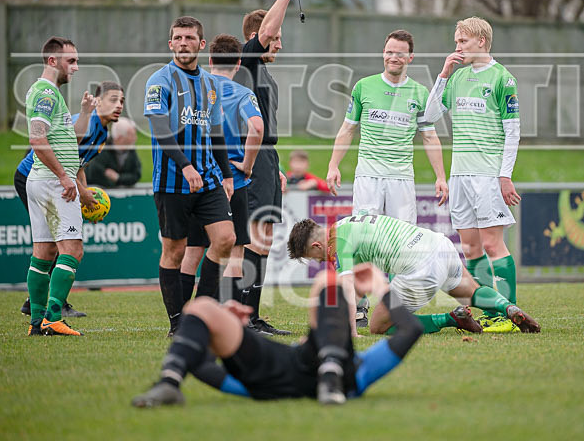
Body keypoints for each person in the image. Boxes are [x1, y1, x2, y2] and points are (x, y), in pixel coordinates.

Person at [132, 264, 424, 406]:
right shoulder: (359, 372)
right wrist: (380, 286)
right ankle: (329, 374)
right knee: (328, 279)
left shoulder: (251, 385)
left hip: (269, 375)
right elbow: (412, 329)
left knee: (201, 308)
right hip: (335, 377)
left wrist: (214, 330)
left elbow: (200, 362)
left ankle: (170, 380)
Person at [421, 17, 522, 330]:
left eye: (462, 41)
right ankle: (491, 311)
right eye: (456, 42)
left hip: (488, 176)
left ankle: (507, 314)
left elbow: (513, 132)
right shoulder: (457, 77)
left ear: (481, 40)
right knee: (471, 248)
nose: (457, 47)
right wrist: (443, 74)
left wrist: (505, 175)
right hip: (460, 176)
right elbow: (428, 116)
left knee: (493, 245)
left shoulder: (503, 78)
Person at [287, 215, 541, 335]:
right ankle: (507, 307)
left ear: (317, 246)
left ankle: (450, 318)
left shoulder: (338, 243)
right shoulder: (347, 223)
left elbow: (347, 291)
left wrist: (351, 332)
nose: (322, 261)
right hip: (439, 245)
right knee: (472, 292)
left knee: (378, 326)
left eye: (315, 257)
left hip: (419, 267)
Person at [144, 16, 235, 337]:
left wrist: (226, 174)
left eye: (189, 38)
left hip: (208, 178)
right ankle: (177, 323)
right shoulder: (159, 80)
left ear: (201, 44)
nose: (183, 43)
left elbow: (217, 131)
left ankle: (199, 314)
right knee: (175, 251)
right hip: (172, 180)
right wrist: (184, 164)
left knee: (225, 239)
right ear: (171, 44)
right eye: (178, 38)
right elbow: (159, 128)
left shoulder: (211, 85)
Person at [18, 80, 125, 319]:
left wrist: (86, 202)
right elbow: (60, 162)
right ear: (97, 101)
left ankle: (37, 306)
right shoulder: (85, 124)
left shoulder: (102, 132)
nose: (119, 106)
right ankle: (53, 306)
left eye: (122, 101)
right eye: (113, 100)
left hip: (54, 178)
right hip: (35, 175)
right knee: (61, 242)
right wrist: (83, 195)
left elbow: (77, 165)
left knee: (58, 243)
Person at [232, 0, 300, 336]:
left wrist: (274, 166)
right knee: (253, 236)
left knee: (265, 237)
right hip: (250, 156)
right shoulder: (247, 62)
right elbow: (269, 27)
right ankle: (243, 317)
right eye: (275, 38)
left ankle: (252, 316)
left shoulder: (265, 73)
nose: (280, 42)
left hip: (266, 156)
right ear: (259, 37)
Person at [180, 34, 264, 316]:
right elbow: (257, 128)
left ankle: (181, 316)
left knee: (193, 251)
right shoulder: (241, 93)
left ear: (210, 60)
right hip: (232, 181)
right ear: (239, 63)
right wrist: (248, 165)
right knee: (235, 251)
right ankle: (228, 316)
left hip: (198, 180)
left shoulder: (195, 90)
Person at [326, 29, 448, 222]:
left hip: (401, 178)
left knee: (401, 240)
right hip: (368, 176)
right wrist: (333, 166)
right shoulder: (363, 86)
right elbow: (348, 128)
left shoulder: (420, 93)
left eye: (400, 54)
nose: (394, 57)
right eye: (389, 52)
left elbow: (430, 137)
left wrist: (440, 177)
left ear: (410, 57)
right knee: (366, 237)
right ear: (383, 53)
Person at [24, 36, 85, 336]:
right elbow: (37, 138)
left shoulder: (45, 92)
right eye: (70, 60)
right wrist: (64, 176)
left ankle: (38, 322)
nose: (75, 66)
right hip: (53, 183)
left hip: (40, 181)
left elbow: (61, 134)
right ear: (52, 61)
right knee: (72, 250)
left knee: (44, 252)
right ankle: (52, 317)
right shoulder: (46, 92)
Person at [84, 117, 142, 187]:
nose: (135, 138)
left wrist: (118, 178)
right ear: (120, 138)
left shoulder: (131, 150)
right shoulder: (101, 148)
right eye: (131, 135)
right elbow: (94, 174)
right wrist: (118, 182)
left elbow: (136, 175)